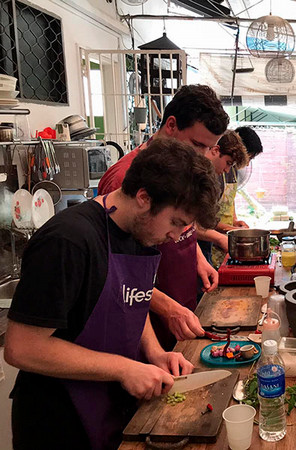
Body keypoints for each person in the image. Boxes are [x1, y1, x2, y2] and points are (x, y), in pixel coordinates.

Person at [5, 138, 221, 450]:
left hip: (109, 407)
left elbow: (131, 297)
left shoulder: (138, 232)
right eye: (175, 223)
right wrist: (123, 368)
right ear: (144, 197)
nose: (175, 236)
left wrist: (154, 352)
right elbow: (21, 348)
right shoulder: (69, 241)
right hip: (60, 422)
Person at [98, 84, 230, 350]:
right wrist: (167, 307)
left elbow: (184, 222)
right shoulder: (125, 181)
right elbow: (114, 272)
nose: (204, 156)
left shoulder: (182, 171)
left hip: (181, 303)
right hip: (150, 323)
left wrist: (197, 258)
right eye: (197, 145)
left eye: (209, 149)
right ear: (171, 125)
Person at [195, 130, 250, 267]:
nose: (227, 170)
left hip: (204, 245)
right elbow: (188, 225)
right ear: (215, 150)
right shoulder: (193, 176)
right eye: (228, 163)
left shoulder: (209, 176)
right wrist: (221, 237)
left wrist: (233, 223)